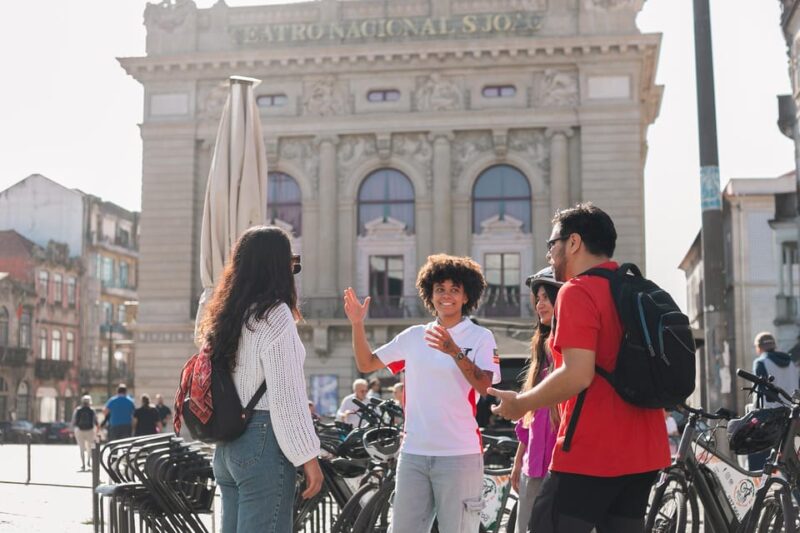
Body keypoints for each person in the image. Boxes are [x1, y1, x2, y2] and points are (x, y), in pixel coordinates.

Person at [490, 203, 670, 533]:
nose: (549, 255)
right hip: (646, 449)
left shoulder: (577, 291)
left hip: (592, 450)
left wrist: (522, 403)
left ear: (573, 243)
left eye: (551, 244)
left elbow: (578, 373)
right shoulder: (636, 287)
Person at [344, 254, 501, 533]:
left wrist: (454, 351)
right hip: (413, 454)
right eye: (440, 289)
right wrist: (357, 324)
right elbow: (366, 364)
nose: (446, 296)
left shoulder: (481, 337)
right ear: (430, 294)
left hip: (460, 455)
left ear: (466, 296)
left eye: (455, 290)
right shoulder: (413, 337)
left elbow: (485, 387)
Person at [199, 225, 321, 533]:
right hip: (262, 442)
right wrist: (308, 456)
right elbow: (286, 397)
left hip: (227, 446)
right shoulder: (274, 315)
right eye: (291, 262)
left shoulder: (227, 315)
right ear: (277, 267)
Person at [510, 267, 562, 533]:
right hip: (533, 467)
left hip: (563, 469)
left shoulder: (571, 352)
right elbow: (527, 420)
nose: (539, 304)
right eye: (537, 298)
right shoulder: (541, 353)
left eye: (546, 297)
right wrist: (518, 460)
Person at [749, 331, 800, 470]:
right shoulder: (791, 363)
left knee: (768, 459)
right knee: (791, 455)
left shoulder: (760, 362)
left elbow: (760, 391)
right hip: (794, 415)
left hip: (773, 417)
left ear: (759, 347)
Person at [71, 395, 98, 471]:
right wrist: (97, 431)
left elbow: (73, 421)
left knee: (81, 448)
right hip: (90, 430)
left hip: (79, 430)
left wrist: (72, 430)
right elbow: (95, 421)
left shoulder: (78, 410)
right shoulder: (92, 410)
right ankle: (90, 462)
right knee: (91, 447)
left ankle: (83, 465)